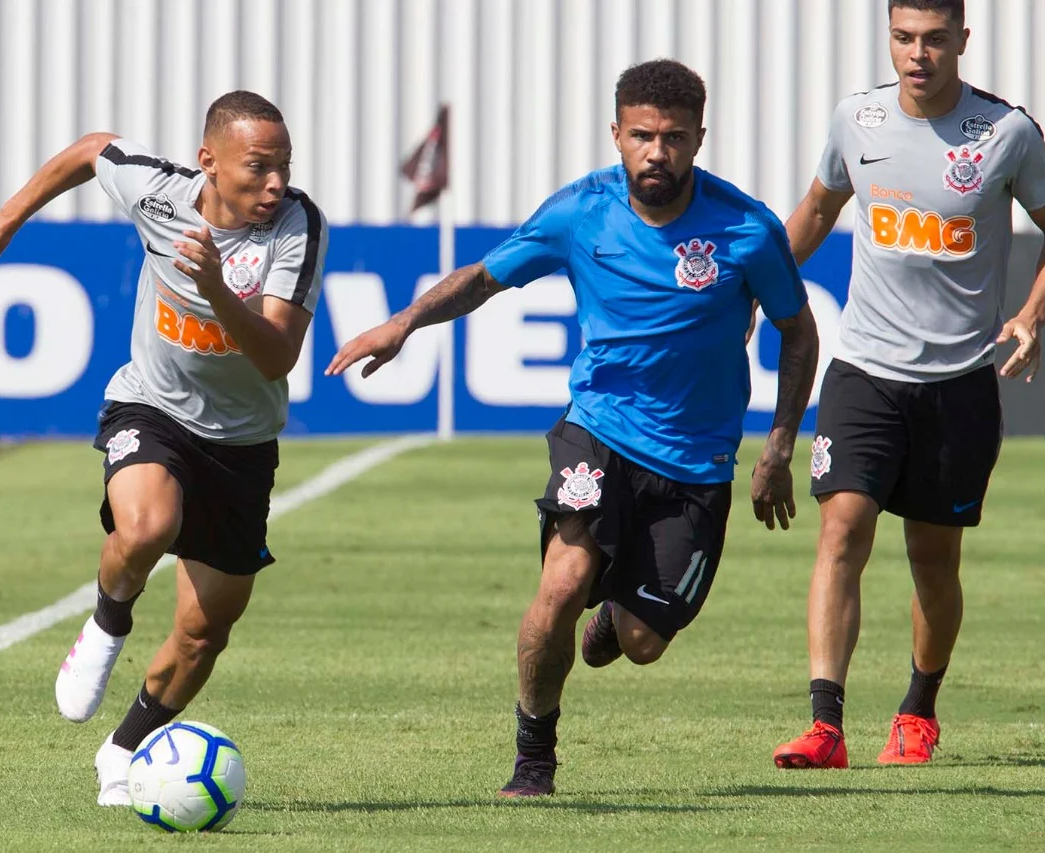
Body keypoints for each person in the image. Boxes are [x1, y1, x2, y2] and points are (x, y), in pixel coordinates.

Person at [328, 59, 820, 796]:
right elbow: (486, 278)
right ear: (616, 133)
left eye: (676, 137)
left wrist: (779, 447)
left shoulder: (746, 229)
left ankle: (617, 614)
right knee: (560, 585)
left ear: (699, 139)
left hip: (696, 462)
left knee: (643, 643)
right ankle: (534, 757)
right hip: (597, 431)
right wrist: (403, 323)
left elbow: (799, 332)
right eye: (643, 135)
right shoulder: (579, 212)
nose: (658, 151)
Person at [0, 90, 328, 804]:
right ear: (208, 162)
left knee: (202, 634)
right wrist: (6, 220)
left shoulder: (297, 227)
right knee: (147, 525)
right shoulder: (159, 191)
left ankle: (121, 750)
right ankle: (106, 621)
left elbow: (277, 355)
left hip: (242, 444)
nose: (276, 183)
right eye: (258, 167)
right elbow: (92, 147)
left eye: (284, 166)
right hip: (151, 406)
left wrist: (217, 288)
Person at [772, 0, 1045, 769]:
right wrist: (753, 287)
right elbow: (817, 209)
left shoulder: (1007, 133)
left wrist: (1032, 313)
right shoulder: (854, 121)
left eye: (933, 39)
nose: (917, 54)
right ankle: (826, 725)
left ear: (963, 39)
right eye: (903, 38)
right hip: (863, 370)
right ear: (888, 39)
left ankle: (918, 707)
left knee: (934, 560)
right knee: (841, 530)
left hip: (957, 387)